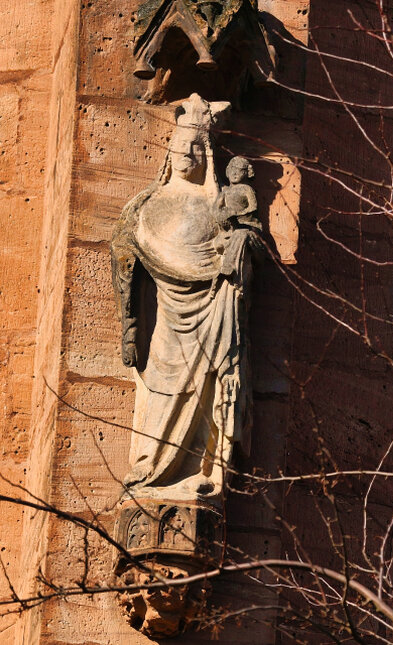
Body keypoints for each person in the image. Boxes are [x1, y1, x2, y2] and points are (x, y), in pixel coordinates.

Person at [111, 94, 257, 501]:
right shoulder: (146, 205)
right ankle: (150, 466)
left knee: (207, 384)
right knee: (159, 388)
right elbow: (124, 261)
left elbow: (245, 238)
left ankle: (204, 467)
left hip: (212, 312)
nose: (185, 154)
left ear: (206, 153)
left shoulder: (220, 202)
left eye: (195, 147)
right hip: (166, 319)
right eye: (178, 147)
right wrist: (131, 326)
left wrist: (242, 245)